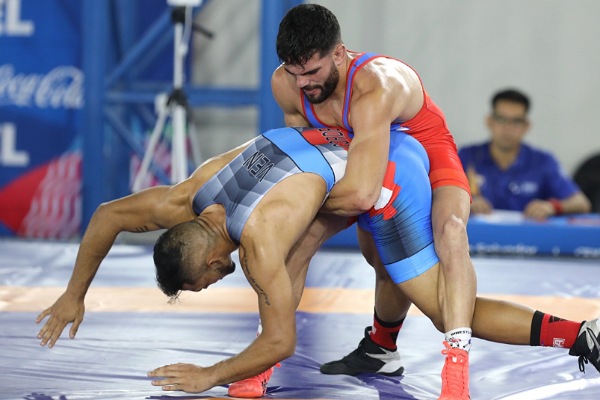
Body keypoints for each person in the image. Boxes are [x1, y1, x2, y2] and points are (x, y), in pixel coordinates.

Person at [36, 126, 599, 399]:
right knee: (346, 253)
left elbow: (283, 339)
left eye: (202, 282)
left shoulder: (257, 245)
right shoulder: (186, 195)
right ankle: (380, 348)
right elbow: (108, 215)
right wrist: (73, 294)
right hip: (354, 145)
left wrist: (211, 374)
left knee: (444, 307)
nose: (210, 285)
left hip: (388, 177)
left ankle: (580, 335)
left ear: (208, 257)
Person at [271, 2, 477, 395]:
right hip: (365, 159)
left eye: (312, 72)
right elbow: (310, 155)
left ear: (338, 53)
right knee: (307, 244)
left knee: (451, 232)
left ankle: (457, 369)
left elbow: (363, 192)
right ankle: (274, 354)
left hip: (426, 153)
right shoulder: (286, 84)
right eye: (295, 73)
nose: (304, 85)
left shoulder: (374, 84)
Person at [459, 88, 591, 218]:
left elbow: (581, 203)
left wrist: (552, 207)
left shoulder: (542, 162)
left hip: (529, 232)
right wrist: (464, 201)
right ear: (489, 121)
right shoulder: (466, 157)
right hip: (477, 232)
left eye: (516, 121)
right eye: (501, 119)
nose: (508, 128)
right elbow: (446, 194)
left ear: (526, 126)